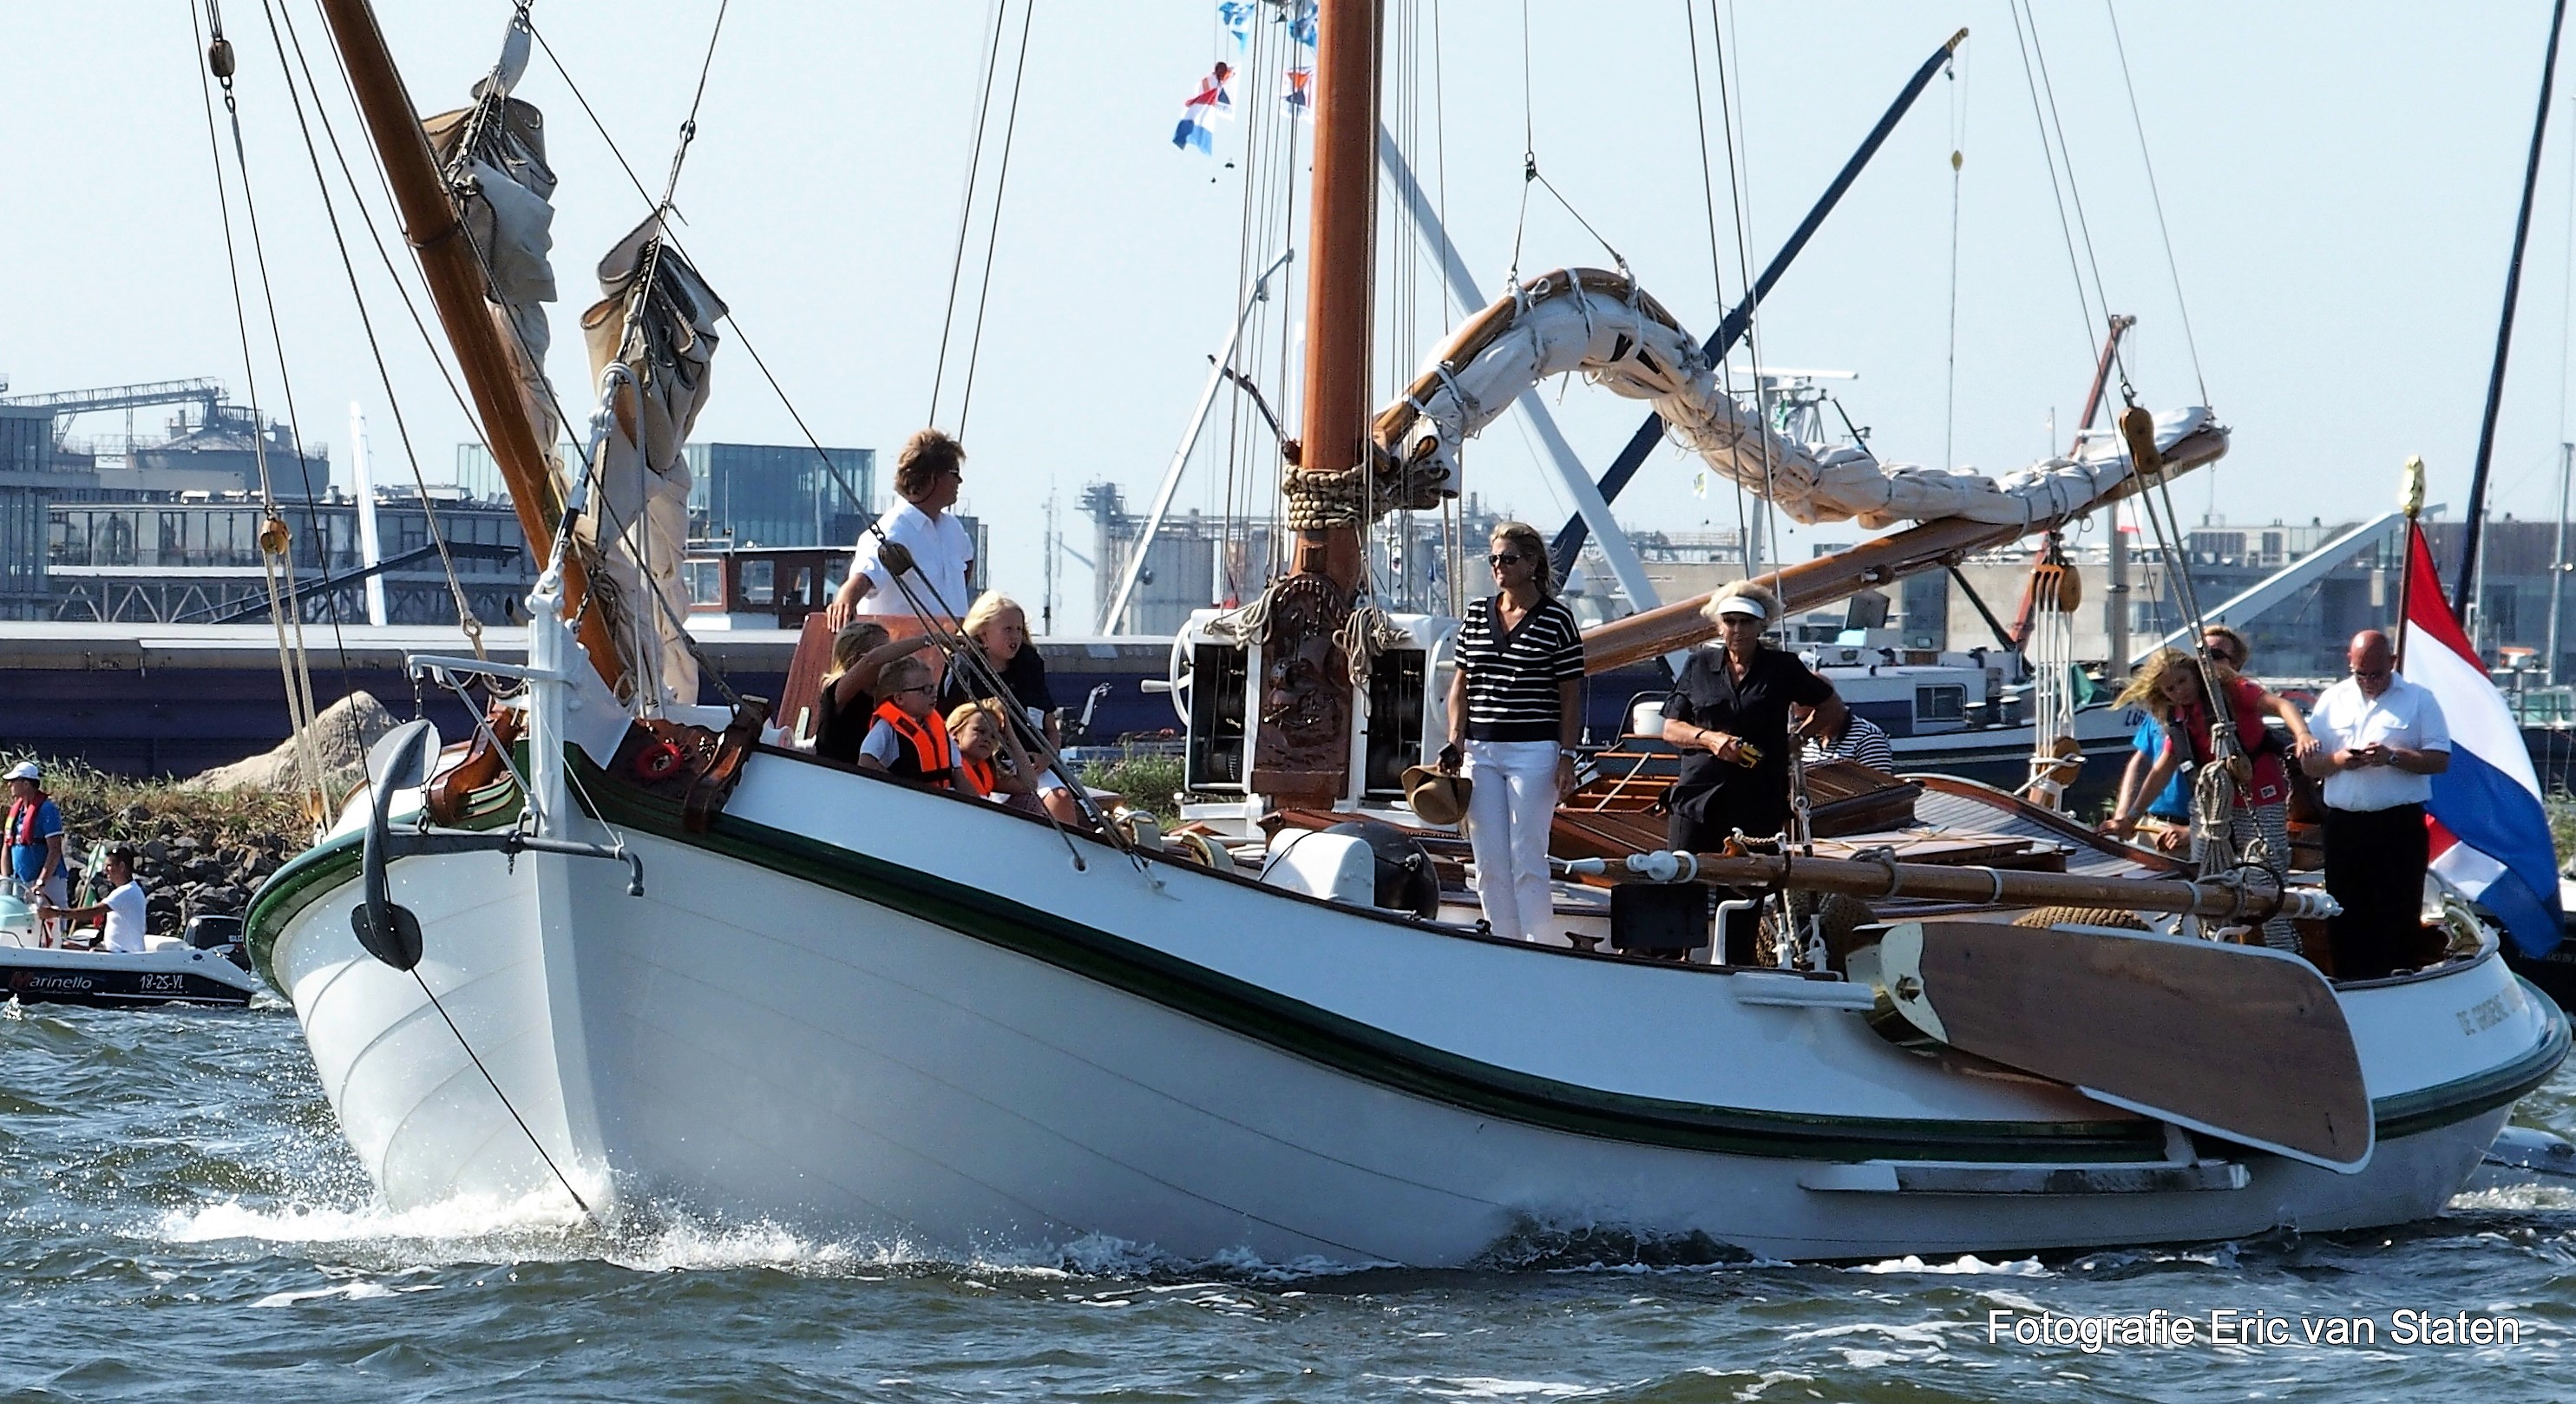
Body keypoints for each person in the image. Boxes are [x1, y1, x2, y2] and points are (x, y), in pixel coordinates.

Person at [2104, 646, 2320, 953]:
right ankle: (2216, 947)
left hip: (2259, 796)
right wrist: (2132, 817)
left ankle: (2284, 949)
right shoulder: (2179, 717)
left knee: (2264, 877)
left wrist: (2303, 735)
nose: (2179, 691)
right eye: (2170, 688)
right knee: (2210, 880)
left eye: (2182, 681)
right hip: (2215, 803)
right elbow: (2162, 768)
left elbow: (2281, 705)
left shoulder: (2231, 692)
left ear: (2195, 673)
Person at [1438, 522, 1585, 942]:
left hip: (1534, 750)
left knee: (1527, 854)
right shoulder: (1476, 616)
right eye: (1494, 560)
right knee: (1487, 858)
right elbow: (1461, 687)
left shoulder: (1557, 621)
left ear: (1532, 563)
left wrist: (1566, 754)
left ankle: (1538, 943)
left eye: (1508, 559)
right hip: (1481, 750)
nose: (1499, 567)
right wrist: (1455, 740)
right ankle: (1503, 940)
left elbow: (1571, 694)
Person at [2303, 629, 2450, 979]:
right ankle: (2351, 985)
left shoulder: (2419, 700)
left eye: (2377, 674)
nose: (2368, 682)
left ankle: (2396, 982)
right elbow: (2310, 765)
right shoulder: (2332, 699)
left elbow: (2439, 760)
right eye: (2361, 674)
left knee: (2396, 913)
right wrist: (2339, 760)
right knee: (2344, 913)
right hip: (2345, 824)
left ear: (2393, 664)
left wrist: (2392, 758)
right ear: (2349, 665)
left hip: (2396, 824)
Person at [1660, 581, 1848, 850]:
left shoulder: (1782, 667)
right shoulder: (1698, 665)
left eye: (1746, 621)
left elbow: (1830, 705)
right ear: (1719, 626)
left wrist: (1800, 738)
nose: (1737, 629)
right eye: (1730, 621)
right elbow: (1671, 729)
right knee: (1684, 879)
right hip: (1699, 796)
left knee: (1750, 885)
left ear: (1762, 625)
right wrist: (1710, 739)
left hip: (1758, 798)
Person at [2114, 627, 2248, 852]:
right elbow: (2142, 763)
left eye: (2215, 656)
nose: (2206, 661)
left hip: (2197, 829)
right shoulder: (2169, 711)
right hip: (2151, 824)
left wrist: (2194, 832)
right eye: (2201, 655)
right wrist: (2125, 815)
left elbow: (2243, 789)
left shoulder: (2235, 715)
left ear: (2235, 664)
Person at [827, 429, 974, 626]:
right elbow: (864, 576)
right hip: (907, 651)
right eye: (954, 473)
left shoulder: (953, 528)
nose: (960, 481)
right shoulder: (893, 529)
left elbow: (967, 563)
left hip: (952, 650)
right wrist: (844, 601)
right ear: (933, 478)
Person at [940, 592, 1059, 749]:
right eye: (1008, 629)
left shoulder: (1030, 668)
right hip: (979, 762)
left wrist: (1045, 759)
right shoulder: (962, 669)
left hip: (1032, 762)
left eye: (1019, 629)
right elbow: (946, 724)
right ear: (983, 634)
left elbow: (1051, 729)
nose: (1015, 636)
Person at [812, 621, 935, 764]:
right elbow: (872, 661)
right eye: (887, 652)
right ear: (856, 660)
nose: (893, 658)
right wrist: (929, 640)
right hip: (837, 779)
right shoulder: (838, 693)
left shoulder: (890, 697)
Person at [855, 656, 979, 791]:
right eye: (925, 689)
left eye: (933, 687)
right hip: (908, 802)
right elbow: (866, 761)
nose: (933, 694)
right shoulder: (887, 728)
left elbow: (958, 774)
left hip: (941, 801)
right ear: (900, 698)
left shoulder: (938, 729)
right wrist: (898, 788)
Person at [43, 844, 145, 955]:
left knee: (69, 948)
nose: (105, 871)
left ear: (121, 866)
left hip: (124, 956)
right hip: (116, 953)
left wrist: (57, 913)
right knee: (67, 946)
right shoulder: (126, 891)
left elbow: (92, 912)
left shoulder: (126, 891)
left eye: (109, 866)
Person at [5, 761, 67, 917]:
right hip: (20, 880)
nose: (9, 785)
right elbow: (7, 846)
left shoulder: (47, 810)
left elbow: (54, 850)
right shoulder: (17, 811)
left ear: (26, 784)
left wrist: (41, 882)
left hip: (47, 881)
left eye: (14, 781)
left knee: (54, 921)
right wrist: (6, 880)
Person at [1798, 707, 1894, 773]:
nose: (1803, 726)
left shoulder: (1868, 739)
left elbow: (1878, 794)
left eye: (1806, 719)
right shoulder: (1807, 739)